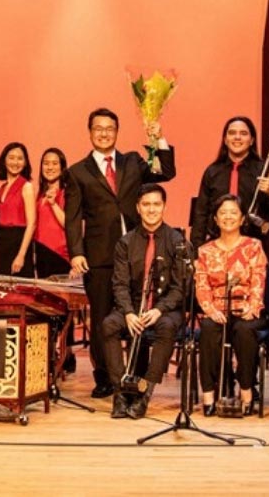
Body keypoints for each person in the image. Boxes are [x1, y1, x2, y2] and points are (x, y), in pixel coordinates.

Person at [65, 107, 176, 398]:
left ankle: (137, 373)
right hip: (99, 256)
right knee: (104, 318)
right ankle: (105, 377)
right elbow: (73, 216)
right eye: (98, 128)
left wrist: (158, 139)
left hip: (138, 253)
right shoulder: (77, 171)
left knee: (136, 314)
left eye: (110, 128)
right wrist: (76, 251)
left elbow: (166, 171)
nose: (104, 133)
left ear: (117, 131)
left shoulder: (133, 162)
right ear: (90, 132)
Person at [101, 184, 186, 419]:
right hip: (133, 306)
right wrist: (128, 312)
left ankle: (144, 393)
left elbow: (180, 288)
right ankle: (120, 392)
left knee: (167, 327)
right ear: (138, 208)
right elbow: (119, 284)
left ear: (164, 207)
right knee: (109, 325)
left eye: (156, 204)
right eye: (146, 204)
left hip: (164, 308)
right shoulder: (125, 242)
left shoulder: (176, 241)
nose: (151, 209)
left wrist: (159, 310)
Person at [194, 194, 267, 417]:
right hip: (216, 309)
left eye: (233, 212)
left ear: (242, 218)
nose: (228, 217)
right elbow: (202, 284)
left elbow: (258, 280)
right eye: (222, 213)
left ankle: (246, 390)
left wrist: (251, 306)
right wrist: (211, 310)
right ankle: (208, 394)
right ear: (215, 219)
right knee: (207, 330)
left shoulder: (254, 246)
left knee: (245, 332)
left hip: (245, 308)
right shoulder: (205, 251)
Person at [190, 116, 269, 245]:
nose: (237, 137)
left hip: (253, 246)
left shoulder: (264, 171)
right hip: (217, 245)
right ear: (225, 140)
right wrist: (197, 251)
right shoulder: (212, 172)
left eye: (243, 133)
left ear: (251, 140)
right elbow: (200, 215)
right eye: (232, 133)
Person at [0, 142, 35, 277]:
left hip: (18, 241)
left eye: (20, 158)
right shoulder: (1, 188)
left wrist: (21, 255)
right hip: (0, 241)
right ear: (4, 160)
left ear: (25, 163)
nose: (15, 162)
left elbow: (32, 224)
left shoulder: (26, 186)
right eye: (11, 157)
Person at [33, 148, 72, 277]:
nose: (50, 167)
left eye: (55, 163)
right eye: (46, 163)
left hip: (59, 255)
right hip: (41, 252)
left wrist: (53, 204)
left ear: (62, 167)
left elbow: (70, 225)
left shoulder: (68, 193)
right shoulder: (39, 195)